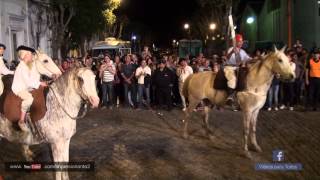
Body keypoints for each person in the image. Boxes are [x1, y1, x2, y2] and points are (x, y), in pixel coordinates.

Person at [11, 46, 47, 132]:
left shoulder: (26, 66)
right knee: (29, 98)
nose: (32, 56)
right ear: (25, 56)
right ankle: (21, 120)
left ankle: (31, 114)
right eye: (30, 54)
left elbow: (31, 79)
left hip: (26, 86)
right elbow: (28, 82)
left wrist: (41, 82)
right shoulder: (21, 67)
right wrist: (40, 83)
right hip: (19, 88)